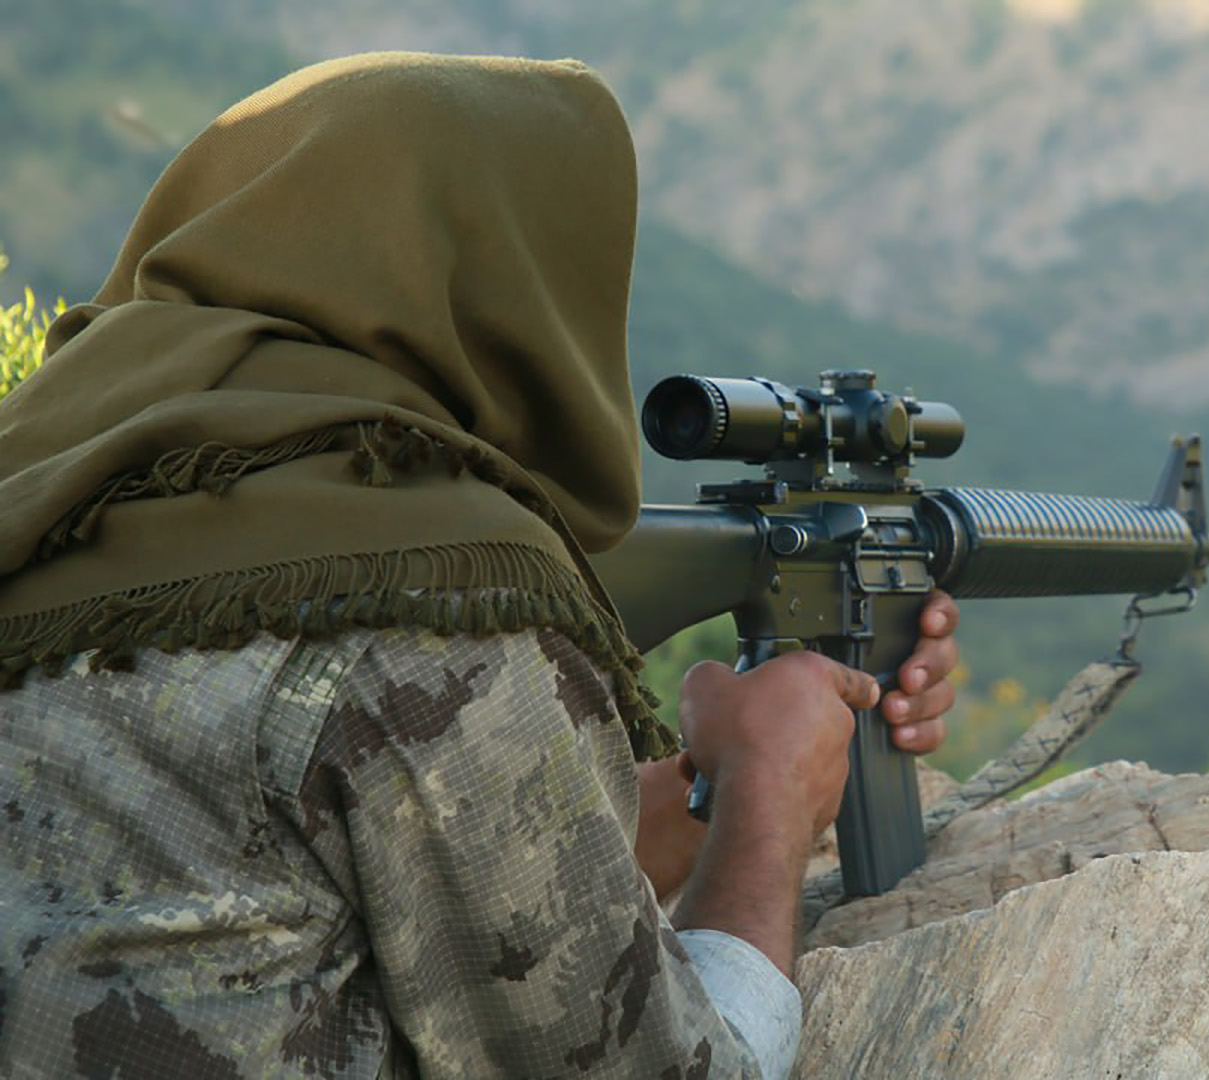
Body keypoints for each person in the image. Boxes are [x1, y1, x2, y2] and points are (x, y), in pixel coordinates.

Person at [0, 53, 958, 1079]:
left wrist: (691, 786)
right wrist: (771, 791)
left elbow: (271, 881)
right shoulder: (424, 600)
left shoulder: (49, 497)